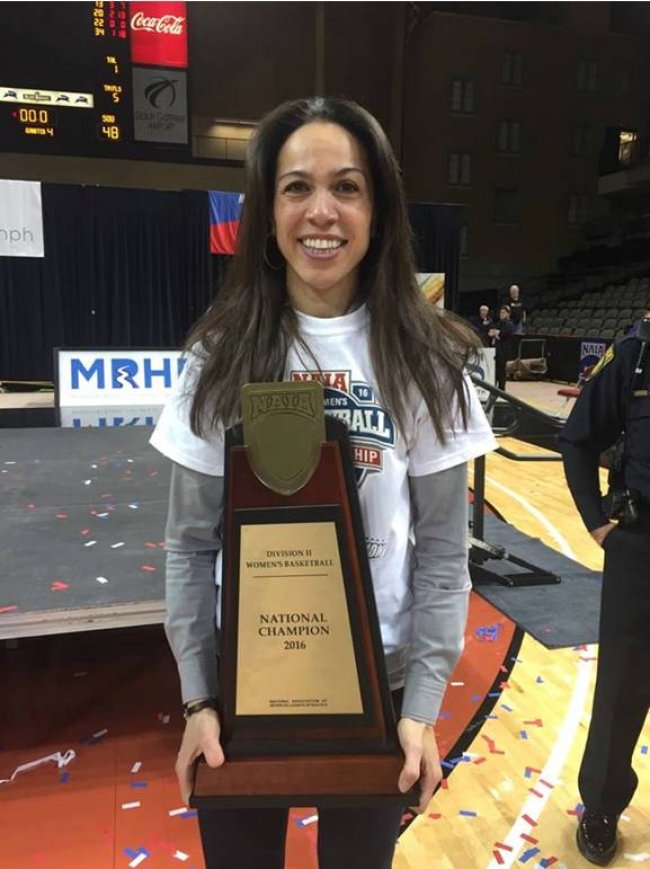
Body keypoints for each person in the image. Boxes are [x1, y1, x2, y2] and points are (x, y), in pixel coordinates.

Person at [150, 96, 497, 869]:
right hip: (243, 692)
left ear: (378, 209)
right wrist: (199, 698)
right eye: (296, 187)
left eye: (346, 187)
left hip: (383, 689)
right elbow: (189, 547)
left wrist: (421, 707)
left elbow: (445, 556)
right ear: (267, 211)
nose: (321, 211)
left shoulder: (427, 359)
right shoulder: (220, 358)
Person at [559, 317, 650, 866]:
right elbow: (577, 438)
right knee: (622, 688)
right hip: (641, 548)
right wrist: (597, 523)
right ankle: (602, 805)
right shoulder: (639, 354)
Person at [488, 305, 516, 390]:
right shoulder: (498, 323)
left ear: (508, 314)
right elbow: (491, 332)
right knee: (496, 370)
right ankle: (495, 387)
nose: (501, 314)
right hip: (497, 349)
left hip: (504, 350)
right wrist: (495, 333)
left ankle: (501, 388)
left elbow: (506, 334)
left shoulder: (509, 324)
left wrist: (498, 333)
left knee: (501, 370)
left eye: (503, 312)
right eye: (500, 312)